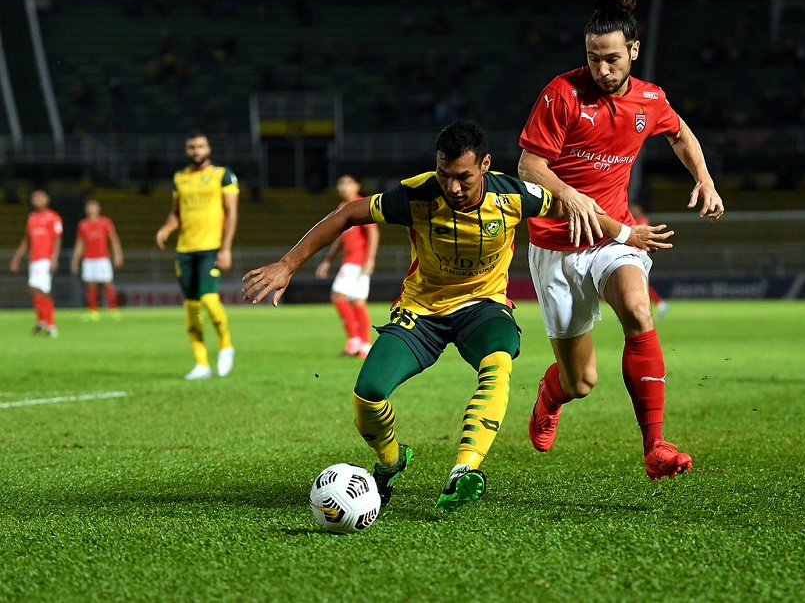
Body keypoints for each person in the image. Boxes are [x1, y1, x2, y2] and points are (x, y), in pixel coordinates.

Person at [242, 119, 671, 512]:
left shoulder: (514, 194)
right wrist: (288, 264)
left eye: (464, 177)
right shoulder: (417, 194)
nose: (453, 186)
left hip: (483, 309)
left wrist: (625, 233)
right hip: (421, 311)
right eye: (445, 175)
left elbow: (574, 208)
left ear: (484, 165)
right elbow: (349, 213)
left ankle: (465, 469)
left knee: (499, 361)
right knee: (368, 393)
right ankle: (390, 462)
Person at [516, 0, 725, 481]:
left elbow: (679, 132)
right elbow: (529, 164)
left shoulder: (650, 99)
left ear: (633, 51)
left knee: (637, 307)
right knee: (581, 381)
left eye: (612, 59)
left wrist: (704, 178)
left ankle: (656, 446)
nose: (602, 70)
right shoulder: (562, 94)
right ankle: (551, 395)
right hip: (555, 246)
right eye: (593, 59)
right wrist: (569, 194)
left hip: (614, 238)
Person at [155, 130, 239, 380]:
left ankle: (226, 346)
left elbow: (232, 212)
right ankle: (201, 363)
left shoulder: (222, 175)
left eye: (200, 146)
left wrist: (226, 248)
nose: (196, 151)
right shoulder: (180, 178)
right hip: (185, 249)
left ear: (208, 149)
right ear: (187, 151)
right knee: (191, 307)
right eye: (192, 147)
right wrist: (166, 228)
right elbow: (176, 214)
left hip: (211, 247)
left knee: (210, 300)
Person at [315, 172, 380, 358]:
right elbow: (340, 239)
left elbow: (373, 233)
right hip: (352, 261)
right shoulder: (343, 207)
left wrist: (370, 258)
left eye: (348, 183)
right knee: (358, 301)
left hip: (356, 261)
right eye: (341, 183)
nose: (343, 187)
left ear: (357, 186)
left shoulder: (361, 205)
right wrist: (328, 259)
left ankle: (354, 340)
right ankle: (365, 346)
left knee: (337, 296)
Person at [10, 188, 64, 337]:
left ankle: (51, 326)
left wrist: (54, 259)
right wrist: (17, 258)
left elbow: (57, 239)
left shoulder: (53, 217)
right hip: (33, 260)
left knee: (34, 288)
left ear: (47, 199)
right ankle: (42, 323)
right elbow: (26, 241)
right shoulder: (31, 218)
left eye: (40, 197)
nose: (36, 200)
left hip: (45, 259)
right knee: (42, 292)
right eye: (34, 198)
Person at [70, 198, 124, 321]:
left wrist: (118, 255)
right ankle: (93, 311)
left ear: (98, 209)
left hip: (102, 259)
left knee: (107, 283)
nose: (91, 209)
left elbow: (113, 239)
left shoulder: (105, 222)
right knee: (90, 285)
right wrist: (75, 260)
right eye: (89, 207)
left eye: (93, 206)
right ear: (85, 209)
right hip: (88, 259)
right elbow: (80, 244)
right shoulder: (83, 224)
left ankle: (113, 309)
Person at [631, 203, 669, 319]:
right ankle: (630, 309)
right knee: (636, 284)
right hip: (635, 255)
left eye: (634, 208)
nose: (632, 210)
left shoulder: (642, 220)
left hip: (641, 257)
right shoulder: (635, 219)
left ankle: (660, 305)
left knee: (641, 284)